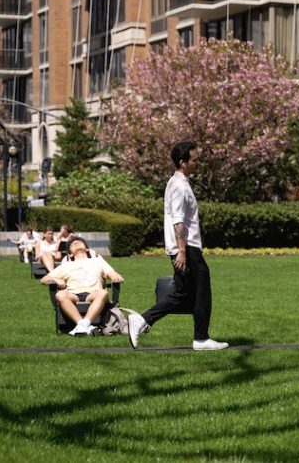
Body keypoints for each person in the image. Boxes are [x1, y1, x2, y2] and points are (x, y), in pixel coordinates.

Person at [127, 141, 228, 351]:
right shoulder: (180, 187)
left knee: (184, 293)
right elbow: (178, 221)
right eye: (194, 159)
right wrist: (181, 251)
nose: (197, 162)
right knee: (201, 291)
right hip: (186, 247)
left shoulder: (176, 183)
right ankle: (200, 338)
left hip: (184, 247)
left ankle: (145, 321)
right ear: (183, 162)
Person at [40, 237, 124, 336]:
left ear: (87, 249)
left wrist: (115, 277)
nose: (76, 243)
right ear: (70, 254)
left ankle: (82, 325)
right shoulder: (66, 265)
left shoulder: (97, 261)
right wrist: (56, 279)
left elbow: (114, 274)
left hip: (93, 294)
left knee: (103, 293)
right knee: (60, 295)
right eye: (73, 244)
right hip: (73, 295)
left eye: (79, 242)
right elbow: (44, 279)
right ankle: (83, 324)